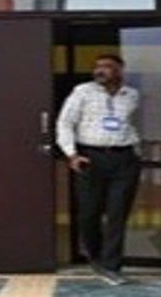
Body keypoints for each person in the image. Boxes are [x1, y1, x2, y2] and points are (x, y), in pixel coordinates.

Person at [55, 53, 141, 286]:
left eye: (107, 67)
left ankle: (111, 266)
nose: (99, 70)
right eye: (97, 67)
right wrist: (71, 153)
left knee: (117, 214)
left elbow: (133, 123)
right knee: (89, 213)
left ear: (120, 70)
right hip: (90, 158)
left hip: (124, 158)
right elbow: (65, 123)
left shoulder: (132, 95)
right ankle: (96, 257)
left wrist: (136, 151)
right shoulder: (82, 92)